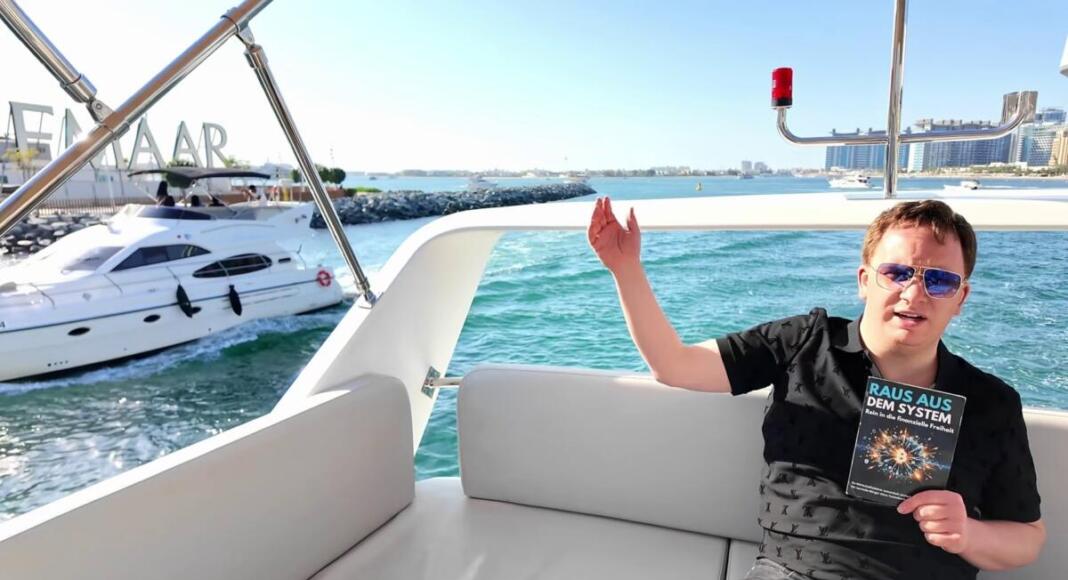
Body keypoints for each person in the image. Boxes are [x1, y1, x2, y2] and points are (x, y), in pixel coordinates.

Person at [587, 197, 1045, 580]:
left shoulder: (991, 402)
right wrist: (625, 268)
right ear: (865, 281)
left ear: (960, 298)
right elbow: (675, 365)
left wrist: (968, 533)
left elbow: (1027, 537)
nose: (914, 293)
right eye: (897, 273)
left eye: (940, 280)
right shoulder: (804, 343)